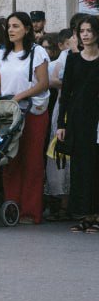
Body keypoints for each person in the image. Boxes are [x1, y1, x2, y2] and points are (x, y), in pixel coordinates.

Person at [0, 12, 50, 224]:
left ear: (27, 29)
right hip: (9, 113)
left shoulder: (37, 52)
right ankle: (12, 208)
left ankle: (30, 211)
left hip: (32, 111)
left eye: (16, 26)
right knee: (10, 158)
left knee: (32, 161)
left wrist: (20, 96)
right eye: (9, 26)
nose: (10, 29)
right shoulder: (3, 54)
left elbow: (43, 83)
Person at [57, 14, 99, 232]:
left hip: (97, 121)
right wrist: (60, 124)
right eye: (82, 31)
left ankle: (97, 215)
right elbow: (66, 94)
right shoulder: (73, 59)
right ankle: (85, 214)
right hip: (77, 120)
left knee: (97, 167)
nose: (85, 35)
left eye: (89, 31)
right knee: (81, 169)